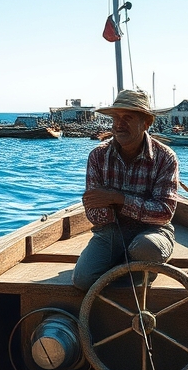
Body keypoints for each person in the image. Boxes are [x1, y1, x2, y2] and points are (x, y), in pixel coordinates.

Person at [72, 89, 179, 291]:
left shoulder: (165, 157)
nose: (119, 124)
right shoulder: (97, 156)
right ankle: (124, 264)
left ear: (146, 123)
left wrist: (116, 199)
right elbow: (94, 213)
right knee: (82, 280)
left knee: (147, 248)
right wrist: (114, 209)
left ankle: (127, 262)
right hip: (110, 231)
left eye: (127, 118)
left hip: (153, 231)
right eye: (116, 118)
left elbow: (164, 214)